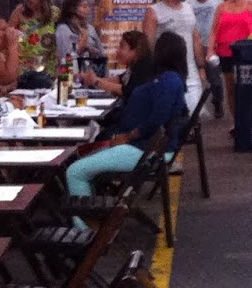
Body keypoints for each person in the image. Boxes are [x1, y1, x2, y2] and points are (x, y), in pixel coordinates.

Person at [65, 31, 188, 199]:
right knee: (79, 157)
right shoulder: (164, 78)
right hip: (140, 145)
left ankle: (83, 223)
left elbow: (157, 120)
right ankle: (98, 207)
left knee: (75, 171)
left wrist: (127, 137)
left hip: (146, 150)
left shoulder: (169, 81)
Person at [145, 0, 204, 116]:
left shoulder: (189, 8)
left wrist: (201, 66)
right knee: (173, 115)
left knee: (194, 114)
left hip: (190, 71)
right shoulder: (154, 11)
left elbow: (196, 38)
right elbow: (149, 42)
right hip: (167, 71)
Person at [187, 0, 225, 118]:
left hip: (212, 45)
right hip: (194, 45)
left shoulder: (217, 1)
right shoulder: (189, 3)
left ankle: (217, 103)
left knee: (214, 78)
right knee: (193, 78)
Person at [8, 0, 57, 89]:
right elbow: (9, 32)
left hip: (47, 63)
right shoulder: (20, 11)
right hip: (24, 63)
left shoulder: (54, 13)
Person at [80, 31, 157, 99]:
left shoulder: (143, 68)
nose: (117, 50)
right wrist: (89, 78)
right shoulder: (133, 66)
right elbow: (118, 80)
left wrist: (96, 82)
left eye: (122, 46)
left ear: (135, 51)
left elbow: (125, 90)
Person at [54, 0, 103, 69]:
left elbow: (101, 53)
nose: (88, 9)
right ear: (73, 8)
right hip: (70, 72)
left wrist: (92, 51)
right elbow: (64, 56)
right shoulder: (63, 29)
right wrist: (82, 41)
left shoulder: (90, 28)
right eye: (84, 6)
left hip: (91, 71)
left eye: (88, 6)